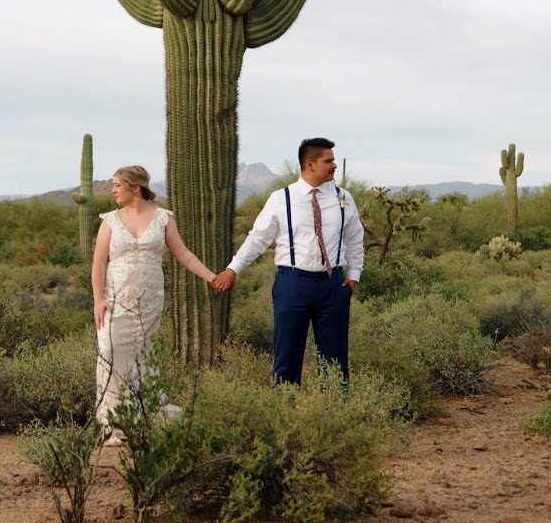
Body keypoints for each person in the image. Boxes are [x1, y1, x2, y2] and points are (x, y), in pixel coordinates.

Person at [212, 138, 365, 386]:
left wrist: (354, 275)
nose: (334, 165)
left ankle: (334, 412)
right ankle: (286, 410)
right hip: (293, 283)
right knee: (287, 355)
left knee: (335, 356)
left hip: (332, 284)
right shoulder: (281, 198)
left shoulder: (342, 197)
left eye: (334, 160)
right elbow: (257, 239)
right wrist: (233, 269)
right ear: (310, 163)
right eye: (329, 160)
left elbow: (355, 237)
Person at [92, 165, 216, 444]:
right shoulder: (110, 220)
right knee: (109, 349)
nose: (112, 190)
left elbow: (183, 254)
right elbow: (99, 261)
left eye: (117, 185)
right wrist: (98, 299)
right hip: (115, 298)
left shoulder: (163, 218)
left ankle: (141, 415)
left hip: (149, 299)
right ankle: (114, 422)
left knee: (140, 353)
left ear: (135, 188)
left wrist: (212, 277)